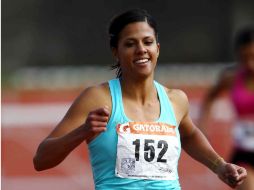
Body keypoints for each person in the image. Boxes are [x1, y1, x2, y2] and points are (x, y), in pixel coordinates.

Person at [33, 9, 247, 190]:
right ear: (116, 52)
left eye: (148, 42)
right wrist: (82, 132)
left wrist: (220, 166)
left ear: (157, 49)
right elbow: (41, 160)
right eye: (130, 44)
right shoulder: (98, 98)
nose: (141, 49)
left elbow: (189, 135)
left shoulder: (176, 100)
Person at [199, 27, 254, 190]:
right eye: (244, 57)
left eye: (253, 56)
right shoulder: (231, 77)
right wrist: (203, 125)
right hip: (244, 152)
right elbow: (210, 97)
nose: (250, 62)